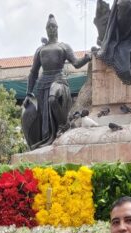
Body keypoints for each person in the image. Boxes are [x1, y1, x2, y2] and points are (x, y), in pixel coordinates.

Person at [22, 14, 92, 148]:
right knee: (44, 117)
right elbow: (33, 73)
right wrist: (28, 93)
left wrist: (86, 58)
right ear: (46, 29)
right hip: (43, 84)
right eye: (48, 27)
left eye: (53, 26)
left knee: (53, 99)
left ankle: (63, 124)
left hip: (59, 80)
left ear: (57, 28)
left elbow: (76, 63)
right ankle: (47, 138)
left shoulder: (64, 46)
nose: (51, 29)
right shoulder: (40, 50)